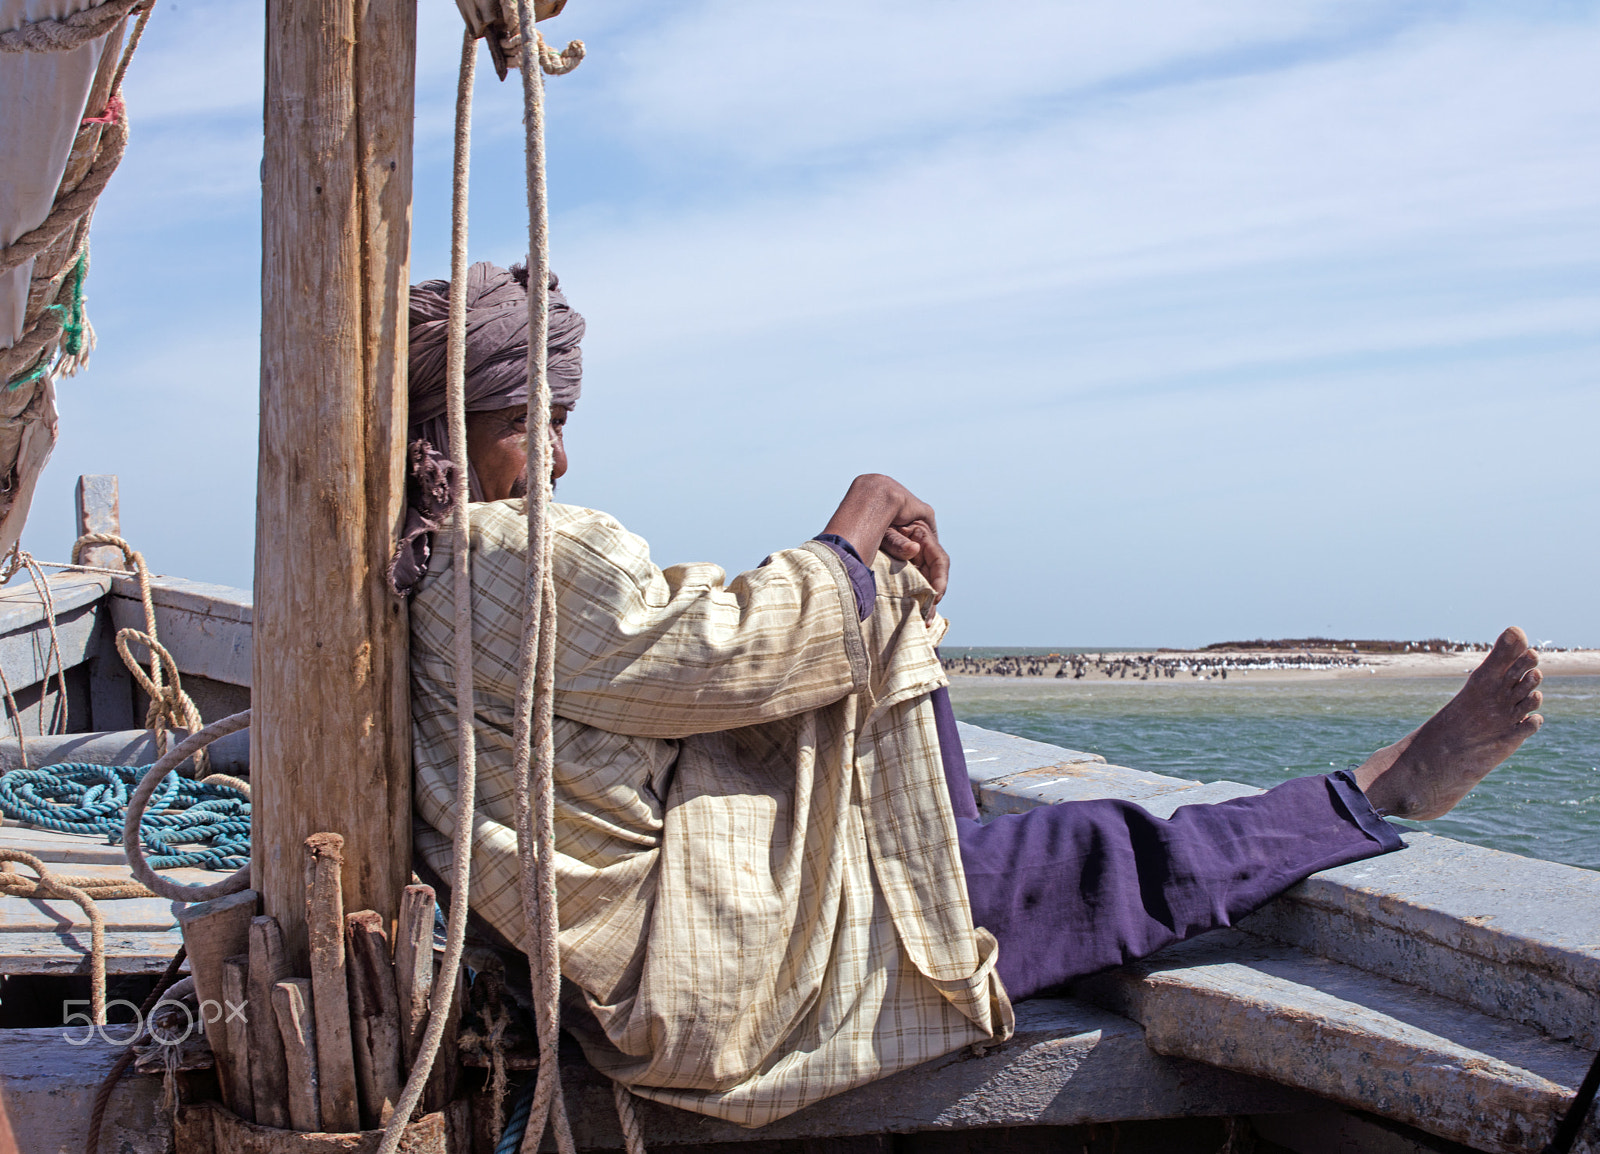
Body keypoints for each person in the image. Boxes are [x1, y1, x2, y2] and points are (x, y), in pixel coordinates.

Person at [395, 262, 1545, 1128]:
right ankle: (1378, 787)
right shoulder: (499, 553)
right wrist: (853, 529)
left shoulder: (437, 560)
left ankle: (961, 864)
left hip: (675, 935)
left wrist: (864, 580)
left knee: (897, 665)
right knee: (1106, 855)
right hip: (712, 968)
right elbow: (716, 652)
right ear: (451, 421)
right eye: (527, 421)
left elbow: (678, 630)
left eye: (557, 423)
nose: (551, 459)